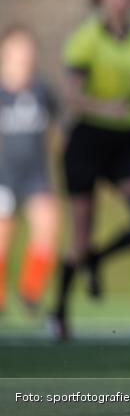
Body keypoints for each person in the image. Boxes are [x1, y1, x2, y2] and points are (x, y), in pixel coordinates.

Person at [51, 0, 130, 340]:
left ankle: (97, 259)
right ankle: (59, 311)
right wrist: (105, 108)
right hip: (87, 140)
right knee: (79, 236)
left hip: (123, 142)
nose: (121, 1)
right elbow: (71, 95)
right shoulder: (87, 38)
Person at [0, 25, 60, 317]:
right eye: (17, 50)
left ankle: (30, 293)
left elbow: (62, 118)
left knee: (48, 225)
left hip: (36, 174)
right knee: (2, 239)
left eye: (27, 51)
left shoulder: (41, 91)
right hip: (3, 176)